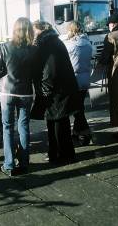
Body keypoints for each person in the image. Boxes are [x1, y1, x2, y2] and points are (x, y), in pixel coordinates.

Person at [0, 17, 38, 176]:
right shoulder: (34, 50)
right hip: (26, 93)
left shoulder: (5, 47)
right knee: (24, 127)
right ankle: (24, 163)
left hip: (7, 92)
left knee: (7, 128)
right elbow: (37, 73)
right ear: (29, 30)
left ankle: (9, 165)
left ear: (15, 30)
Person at [32, 21, 80, 165]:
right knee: (58, 122)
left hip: (56, 91)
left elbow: (50, 71)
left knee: (57, 123)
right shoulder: (54, 41)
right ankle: (59, 153)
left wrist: (45, 89)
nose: (33, 34)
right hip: (61, 89)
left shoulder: (48, 44)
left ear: (40, 30)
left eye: (34, 31)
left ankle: (61, 154)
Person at [63, 21, 93, 146]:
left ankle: (86, 132)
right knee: (79, 106)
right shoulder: (88, 43)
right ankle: (76, 132)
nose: (66, 32)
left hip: (73, 80)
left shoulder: (69, 45)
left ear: (72, 30)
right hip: (85, 79)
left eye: (68, 30)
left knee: (76, 110)